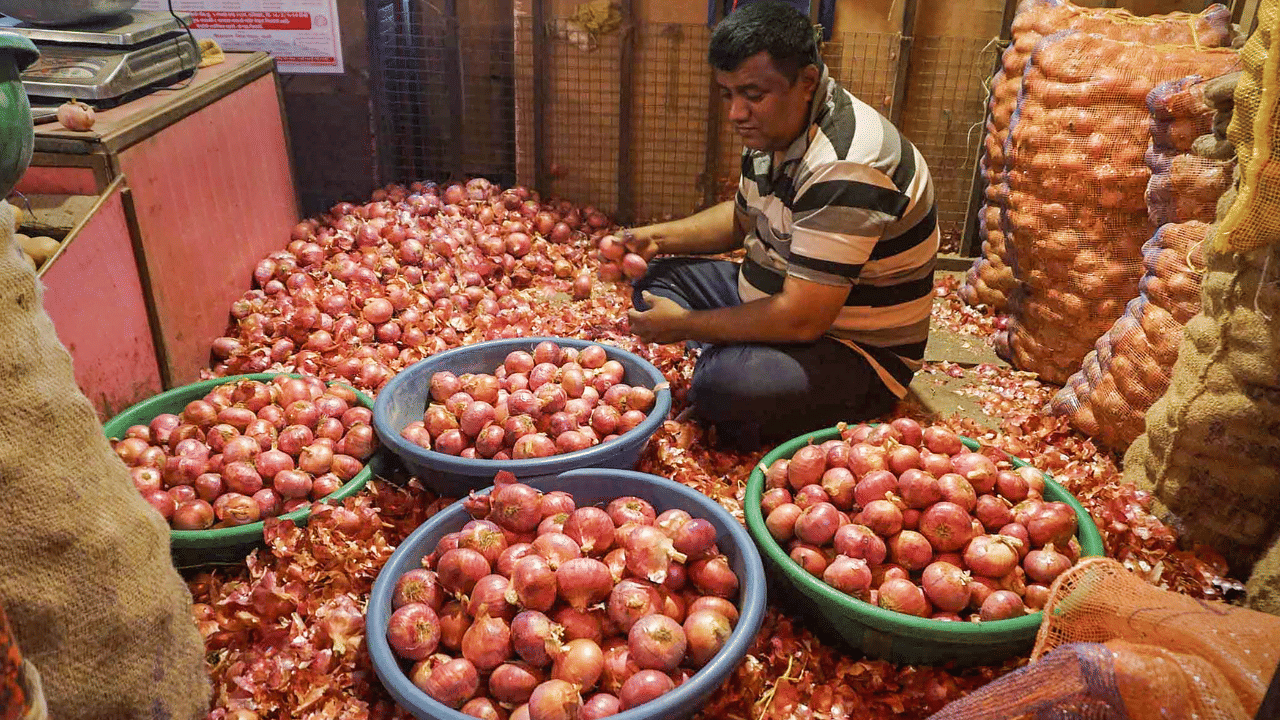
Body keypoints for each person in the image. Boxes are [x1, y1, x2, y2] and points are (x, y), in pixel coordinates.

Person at [625, 0, 939, 449]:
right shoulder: (775, 129)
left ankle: (734, 363)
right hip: (777, 291)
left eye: (752, 95)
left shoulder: (846, 163)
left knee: (724, 389)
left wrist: (688, 325)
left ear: (807, 82)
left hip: (851, 348)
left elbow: (802, 320)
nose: (735, 113)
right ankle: (731, 348)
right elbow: (740, 217)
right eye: (727, 94)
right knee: (653, 280)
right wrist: (653, 237)